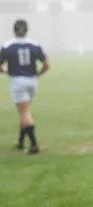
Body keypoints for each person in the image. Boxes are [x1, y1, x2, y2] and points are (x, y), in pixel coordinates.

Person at [0, 19, 49, 154]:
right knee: (25, 110)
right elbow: (46, 64)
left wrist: (5, 71)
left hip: (18, 81)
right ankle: (21, 141)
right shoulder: (35, 45)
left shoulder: (8, 46)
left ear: (13, 30)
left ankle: (34, 144)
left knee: (25, 112)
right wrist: (38, 74)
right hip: (32, 81)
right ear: (26, 30)